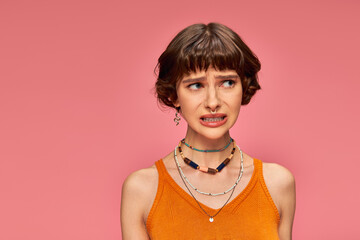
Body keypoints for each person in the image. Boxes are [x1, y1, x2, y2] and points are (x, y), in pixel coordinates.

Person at [121, 23, 296, 240]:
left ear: (244, 88)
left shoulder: (277, 184)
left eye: (228, 82)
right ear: (173, 95)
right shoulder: (142, 190)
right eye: (196, 85)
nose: (213, 102)